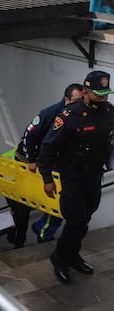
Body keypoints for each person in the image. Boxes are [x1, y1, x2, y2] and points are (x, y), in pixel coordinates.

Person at [38, 70, 114, 283]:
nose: (102, 99)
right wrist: (47, 179)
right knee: (76, 221)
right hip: (72, 177)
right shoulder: (68, 115)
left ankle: (72, 254)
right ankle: (60, 257)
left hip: (94, 176)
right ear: (86, 92)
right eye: (98, 94)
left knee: (85, 218)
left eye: (105, 94)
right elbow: (48, 147)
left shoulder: (109, 111)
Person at [6, 84, 85, 248]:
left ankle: (42, 228)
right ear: (66, 100)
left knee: (64, 198)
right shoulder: (49, 113)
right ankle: (21, 240)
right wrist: (32, 160)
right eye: (76, 101)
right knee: (23, 209)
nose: (80, 104)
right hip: (30, 162)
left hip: (54, 161)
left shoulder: (81, 114)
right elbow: (29, 135)